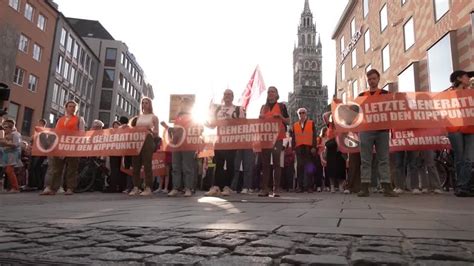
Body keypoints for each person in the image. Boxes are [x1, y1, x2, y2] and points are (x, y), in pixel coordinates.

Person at [357, 69, 397, 197]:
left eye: (374, 78)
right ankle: (364, 187)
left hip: (382, 131)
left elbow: (392, 110)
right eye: (369, 79)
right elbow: (356, 112)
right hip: (366, 130)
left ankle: (387, 187)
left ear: (378, 79)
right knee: (365, 160)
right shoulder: (362, 96)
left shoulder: (386, 94)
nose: (371, 81)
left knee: (384, 159)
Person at [205, 89, 244, 196]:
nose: (227, 96)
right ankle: (216, 186)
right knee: (218, 163)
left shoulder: (237, 109)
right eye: (225, 94)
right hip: (220, 140)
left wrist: (231, 121)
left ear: (233, 97)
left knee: (230, 164)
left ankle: (227, 186)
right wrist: (207, 123)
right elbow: (213, 125)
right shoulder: (218, 109)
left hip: (231, 140)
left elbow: (243, 124)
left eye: (229, 94)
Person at [41, 101, 85, 195]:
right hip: (60, 146)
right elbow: (57, 132)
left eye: (74, 107)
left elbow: (81, 132)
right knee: (57, 168)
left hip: (72, 146)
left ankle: (70, 188)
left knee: (72, 168)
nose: (72, 108)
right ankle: (54, 188)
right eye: (70, 106)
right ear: (66, 108)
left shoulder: (79, 119)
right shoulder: (61, 119)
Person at [258, 86, 290, 197]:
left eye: (273, 91)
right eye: (269, 92)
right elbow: (258, 123)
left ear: (277, 94)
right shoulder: (263, 107)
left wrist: (280, 116)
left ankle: (276, 189)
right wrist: (260, 118)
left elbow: (288, 121)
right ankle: (264, 189)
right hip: (265, 138)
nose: (270, 93)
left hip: (278, 138)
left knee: (276, 163)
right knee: (265, 164)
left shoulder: (282, 106)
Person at [447, 70, 474, 197]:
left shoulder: (471, 93)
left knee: (468, 159)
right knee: (460, 158)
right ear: (459, 78)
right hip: (455, 129)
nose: (469, 79)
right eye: (466, 76)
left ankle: (463, 186)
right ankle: (462, 186)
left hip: (470, 128)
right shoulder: (449, 94)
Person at [167, 97, 197, 197]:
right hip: (177, 144)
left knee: (187, 167)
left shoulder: (193, 117)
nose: (184, 105)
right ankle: (175, 188)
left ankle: (188, 188)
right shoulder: (177, 117)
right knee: (175, 166)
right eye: (183, 103)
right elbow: (176, 130)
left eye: (186, 103)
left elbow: (196, 130)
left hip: (188, 144)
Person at [129, 97, 159, 196]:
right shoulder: (138, 117)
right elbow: (133, 127)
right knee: (135, 163)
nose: (144, 105)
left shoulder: (154, 117)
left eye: (146, 103)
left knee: (147, 164)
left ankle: (148, 187)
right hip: (137, 139)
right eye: (143, 103)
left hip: (148, 139)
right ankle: (136, 186)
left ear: (150, 105)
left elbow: (156, 132)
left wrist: (149, 130)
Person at [291, 107, 317, 193]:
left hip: (308, 148)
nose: (302, 114)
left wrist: (314, 147)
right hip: (299, 148)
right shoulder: (295, 125)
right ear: (298, 115)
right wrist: (293, 148)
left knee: (309, 168)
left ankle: (309, 186)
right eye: (300, 113)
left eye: (303, 113)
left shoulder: (311, 123)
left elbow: (314, 136)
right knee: (300, 168)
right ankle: (300, 186)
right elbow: (293, 137)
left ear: (306, 114)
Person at [0, 119, 22, 193]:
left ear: (11, 127)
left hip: (13, 154)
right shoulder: (5, 134)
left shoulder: (16, 134)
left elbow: (16, 144)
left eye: (6, 127)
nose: (4, 128)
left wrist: (5, 143)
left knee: (9, 170)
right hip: (6, 154)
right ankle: (10, 187)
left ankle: (15, 187)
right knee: (6, 171)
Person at [27, 119, 47, 190]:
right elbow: (31, 141)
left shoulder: (44, 133)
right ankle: (32, 183)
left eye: (39, 124)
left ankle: (38, 184)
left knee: (36, 168)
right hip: (33, 153)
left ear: (43, 124)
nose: (38, 125)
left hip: (39, 153)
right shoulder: (35, 134)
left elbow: (44, 144)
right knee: (31, 168)